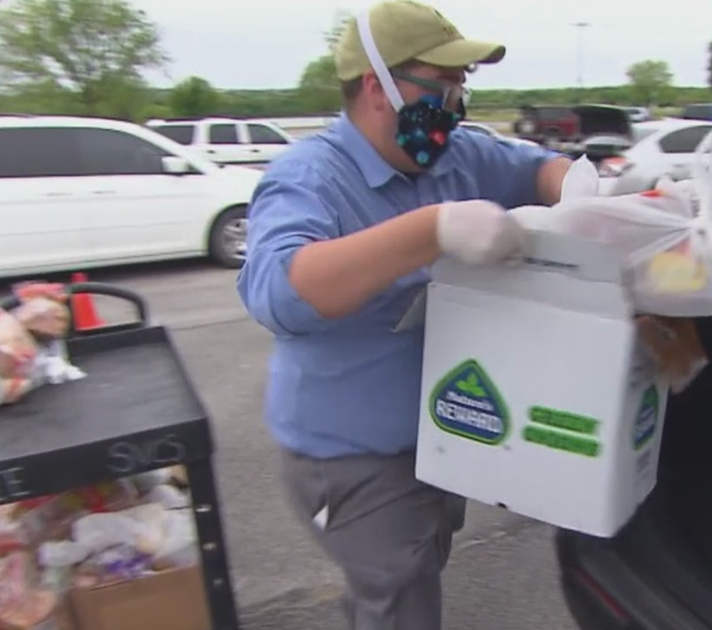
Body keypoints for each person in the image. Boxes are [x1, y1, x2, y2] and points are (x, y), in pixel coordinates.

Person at [236, 1, 573, 629]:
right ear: (376, 86)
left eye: (462, 86)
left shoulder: (459, 157)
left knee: (416, 568)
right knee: (399, 601)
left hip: (439, 437)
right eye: (440, 85)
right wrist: (434, 229)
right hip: (353, 460)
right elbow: (282, 294)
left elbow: (538, 170)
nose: (455, 103)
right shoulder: (309, 178)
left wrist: (595, 192)